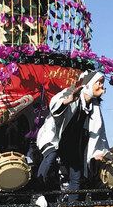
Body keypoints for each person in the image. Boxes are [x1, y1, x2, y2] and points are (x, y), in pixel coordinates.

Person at [36, 70, 109, 200]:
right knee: (50, 157)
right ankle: (37, 193)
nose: (102, 86)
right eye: (99, 82)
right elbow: (54, 105)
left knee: (76, 175)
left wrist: (99, 151)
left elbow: (99, 132)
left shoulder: (94, 107)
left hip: (73, 144)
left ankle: (72, 206)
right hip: (55, 136)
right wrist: (67, 101)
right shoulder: (72, 92)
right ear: (89, 83)